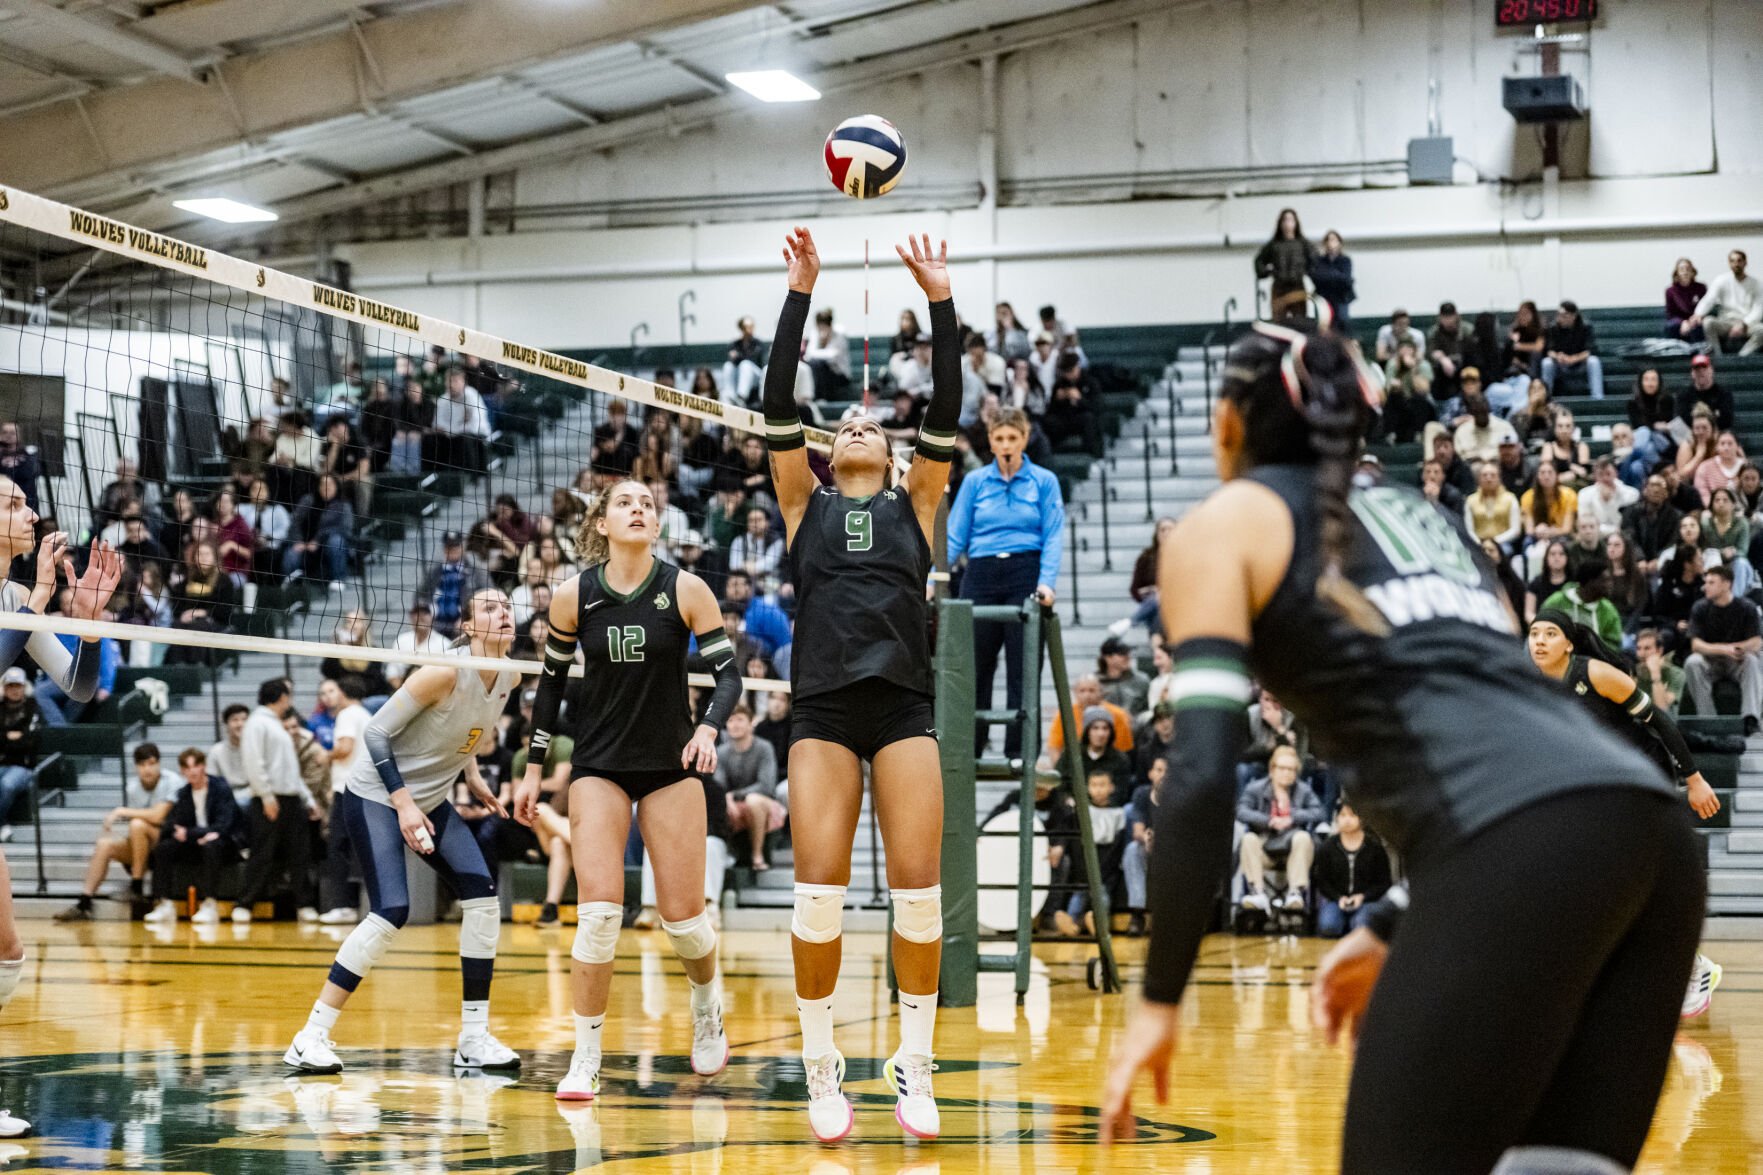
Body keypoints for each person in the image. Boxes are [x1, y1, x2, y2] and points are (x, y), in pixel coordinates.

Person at [1099, 319, 1704, 1175]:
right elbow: (1504, 732)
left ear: (1227, 421)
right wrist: (1391, 919)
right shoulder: (1424, 515)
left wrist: (1158, 998)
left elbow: (1198, 774)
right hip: (1650, 836)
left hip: (1515, 840)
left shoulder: (1224, 523)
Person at [758, 227, 957, 1142]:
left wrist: (939, 300)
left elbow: (946, 401)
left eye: (868, 424)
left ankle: (914, 1062)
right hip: (823, 711)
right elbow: (776, 400)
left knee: (919, 895)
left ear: (893, 451)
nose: (854, 427)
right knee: (817, 895)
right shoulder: (804, 503)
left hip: (903, 706)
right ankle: (820, 1062)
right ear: (828, 452)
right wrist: (800, 289)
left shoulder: (919, 500)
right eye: (842, 426)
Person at [513, 478, 740, 1100]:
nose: (638, 509)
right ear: (602, 523)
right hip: (599, 765)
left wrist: (709, 729)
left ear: (657, 525)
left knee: (684, 922)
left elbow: (729, 677)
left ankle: (706, 1006)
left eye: (647, 504)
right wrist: (534, 768)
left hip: (670, 763)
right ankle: (585, 1056)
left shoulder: (686, 588)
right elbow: (551, 686)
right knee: (598, 916)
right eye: (624, 503)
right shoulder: (573, 596)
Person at [284, 588, 523, 1075]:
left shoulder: (511, 674)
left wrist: (472, 775)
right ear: (468, 626)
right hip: (375, 795)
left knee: (482, 899)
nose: (503, 613)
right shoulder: (443, 672)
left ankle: (473, 1039)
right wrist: (404, 803)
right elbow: (375, 733)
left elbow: (469, 729)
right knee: (392, 910)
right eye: (489, 608)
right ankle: (309, 1037)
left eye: (507, 606)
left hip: (429, 798)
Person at [1526, 609, 1724, 1018]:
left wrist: (1695, 779)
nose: (1540, 640)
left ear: (1569, 643)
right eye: (1534, 633)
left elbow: (1661, 722)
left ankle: (1694, 968)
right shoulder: (1530, 684)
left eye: (1550, 633)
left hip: (1642, 773)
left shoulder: (1595, 674)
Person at [947, 405, 1064, 759]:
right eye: (1000, 438)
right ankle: (971, 748)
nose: (1007, 445)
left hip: (1025, 571)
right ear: (991, 442)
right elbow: (955, 536)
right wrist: (932, 577)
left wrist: (1047, 582)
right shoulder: (975, 482)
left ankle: (1020, 752)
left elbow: (1053, 534)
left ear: (1025, 439)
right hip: (981, 573)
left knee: (1023, 667)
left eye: (1013, 437)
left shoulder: (1044, 481)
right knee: (974, 666)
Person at [232, 679, 320, 924]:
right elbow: (253, 762)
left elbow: (290, 769)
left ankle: (304, 904)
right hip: (269, 799)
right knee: (262, 853)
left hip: (291, 798)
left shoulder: (276, 725)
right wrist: (266, 796)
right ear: (281, 697)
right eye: (288, 696)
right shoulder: (257, 723)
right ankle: (245, 904)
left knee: (299, 853)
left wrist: (307, 798)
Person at [54, 742, 172, 921]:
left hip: (168, 843)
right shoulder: (133, 787)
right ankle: (84, 903)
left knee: (138, 824)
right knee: (105, 844)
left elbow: (158, 816)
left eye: (151, 763)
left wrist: (121, 811)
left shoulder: (172, 781)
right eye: (142, 765)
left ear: (159, 764)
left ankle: (137, 887)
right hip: (145, 846)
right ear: (136, 767)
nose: (147, 769)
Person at [142, 748, 243, 925]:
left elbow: (224, 825)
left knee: (211, 845)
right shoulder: (184, 793)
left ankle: (210, 904)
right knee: (164, 848)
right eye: (187, 768)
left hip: (224, 843)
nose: (192, 771)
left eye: (196, 766)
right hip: (195, 843)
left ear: (203, 766)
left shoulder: (221, 788)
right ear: (182, 771)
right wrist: (187, 833)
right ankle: (165, 904)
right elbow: (172, 824)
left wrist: (191, 833)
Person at [1236, 745, 1324, 915]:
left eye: (1291, 769)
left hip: (1293, 851)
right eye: (1282, 768)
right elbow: (1241, 811)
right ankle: (1257, 892)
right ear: (1272, 769)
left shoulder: (1303, 790)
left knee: (1303, 837)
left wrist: (1293, 817)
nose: (1287, 773)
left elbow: (1319, 812)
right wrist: (1268, 821)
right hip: (1264, 846)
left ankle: (1295, 893)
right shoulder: (1256, 788)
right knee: (1248, 839)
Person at [1683, 565, 1763, 734]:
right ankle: (1708, 719)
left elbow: (1756, 642)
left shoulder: (1747, 607)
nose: (1705, 586)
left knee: (1753, 660)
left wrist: (1738, 648)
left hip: (1737, 660)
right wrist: (1724, 649)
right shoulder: (1700, 607)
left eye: (1711, 582)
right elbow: (1696, 645)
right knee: (1692, 662)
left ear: (1727, 584)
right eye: (1706, 582)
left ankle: (1750, 718)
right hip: (1710, 660)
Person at [318, 675, 372, 925]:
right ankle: (356, 905)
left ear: (342, 692)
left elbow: (344, 748)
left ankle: (342, 905)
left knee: (338, 847)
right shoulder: (366, 715)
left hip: (347, 788)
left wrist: (325, 756)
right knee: (355, 848)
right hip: (363, 789)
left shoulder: (347, 715)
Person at [1312, 800, 1392, 939]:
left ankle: (1352, 923)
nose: (1347, 820)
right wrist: (1338, 898)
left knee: (1362, 927)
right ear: (1337, 818)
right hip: (1336, 900)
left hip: (1367, 901)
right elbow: (1322, 881)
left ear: (1361, 818)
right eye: (1343, 815)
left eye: (1352, 815)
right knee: (1328, 927)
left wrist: (1363, 897)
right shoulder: (1327, 847)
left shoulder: (1375, 847)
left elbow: (1384, 883)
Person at [1692, 248, 1762, 355]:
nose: (1736, 264)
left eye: (1739, 260)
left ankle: (1742, 357)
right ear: (1729, 263)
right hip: (1726, 321)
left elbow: (1759, 308)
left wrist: (1744, 324)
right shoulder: (1721, 280)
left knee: (1761, 330)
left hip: (1747, 323)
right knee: (1708, 322)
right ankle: (1718, 357)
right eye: (1732, 261)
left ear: (1745, 263)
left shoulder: (1756, 284)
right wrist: (1698, 314)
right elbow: (1709, 299)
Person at [0, 668, 42, 842]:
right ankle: (2, 824)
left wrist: (6, 739)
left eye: (18, 685)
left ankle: (1, 824)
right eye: (10, 686)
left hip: (24, 766)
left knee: (7, 784)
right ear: (4, 688)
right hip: (2, 763)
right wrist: (9, 737)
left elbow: (30, 741)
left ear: (24, 687)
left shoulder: (33, 707)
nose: (14, 690)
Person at [1254, 208, 1313, 320]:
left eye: (1291, 220)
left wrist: (1306, 271)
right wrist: (1268, 272)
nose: (1287, 224)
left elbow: (1315, 261)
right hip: (1279, 288)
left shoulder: (1303, 244)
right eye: (1284, 220)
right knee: (1279, 321)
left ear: (1296, 223)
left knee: (1299, 321)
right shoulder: (1274, 244)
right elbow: (1259, 261)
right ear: (1280, 224)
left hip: (1297, 287)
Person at [1540, 301, 1605, 399]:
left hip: (1580, 363)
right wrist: (1558, 356)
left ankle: (1597, 397)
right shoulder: (1553, 328)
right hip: (1561, 364)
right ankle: (1546, 398)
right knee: (1547, 363)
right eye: (1559, 315)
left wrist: (1573, 358)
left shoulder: (1585, 327)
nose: (1560, 319)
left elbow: (1590, 350)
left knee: (1594, 361)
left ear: (1573, 316)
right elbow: (1549, 350)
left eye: (1564, 316)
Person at [1308, 230, 1354, 328]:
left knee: (1342, 321)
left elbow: (1346, 279)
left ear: (1339, 243)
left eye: (1333, 240)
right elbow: (1316, 277)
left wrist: (1329, 274)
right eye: (1328, 240)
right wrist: (1335, 275)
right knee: (1324, 323)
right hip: (1324, 296)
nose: (1330, 243)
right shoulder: (1319, 260)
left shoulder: (1345, 260)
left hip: (1341, 296)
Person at [1665, 257, 1707, 343]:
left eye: (1688, 269)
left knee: (1701, 326)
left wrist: (1696, 318)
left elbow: (1706, 307)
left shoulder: (1701, 288)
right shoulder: (1670, 291)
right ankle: (1674, 350)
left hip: (1696, 319)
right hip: (1679, 322)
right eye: (1681, 269)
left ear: (1693, 272)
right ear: (1677, 273)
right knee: (1670, 326)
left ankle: (1699, 350)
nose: (1685, 272)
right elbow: (1671, 314)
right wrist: (1683, 322)